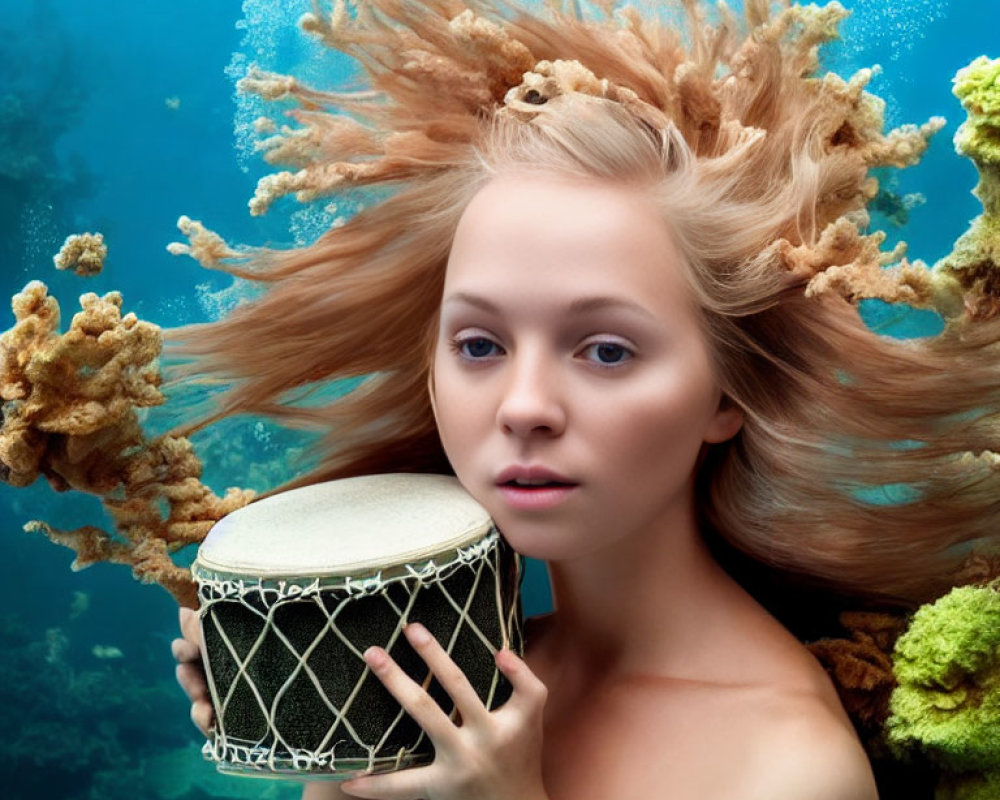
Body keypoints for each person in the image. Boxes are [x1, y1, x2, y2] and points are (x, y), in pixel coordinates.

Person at [171, 0, 1000, 798]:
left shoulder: (787, 766)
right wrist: (325, 737)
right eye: (480, 346)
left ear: (730, 393)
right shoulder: (458, 687)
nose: (524, 406)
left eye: (606, 351)